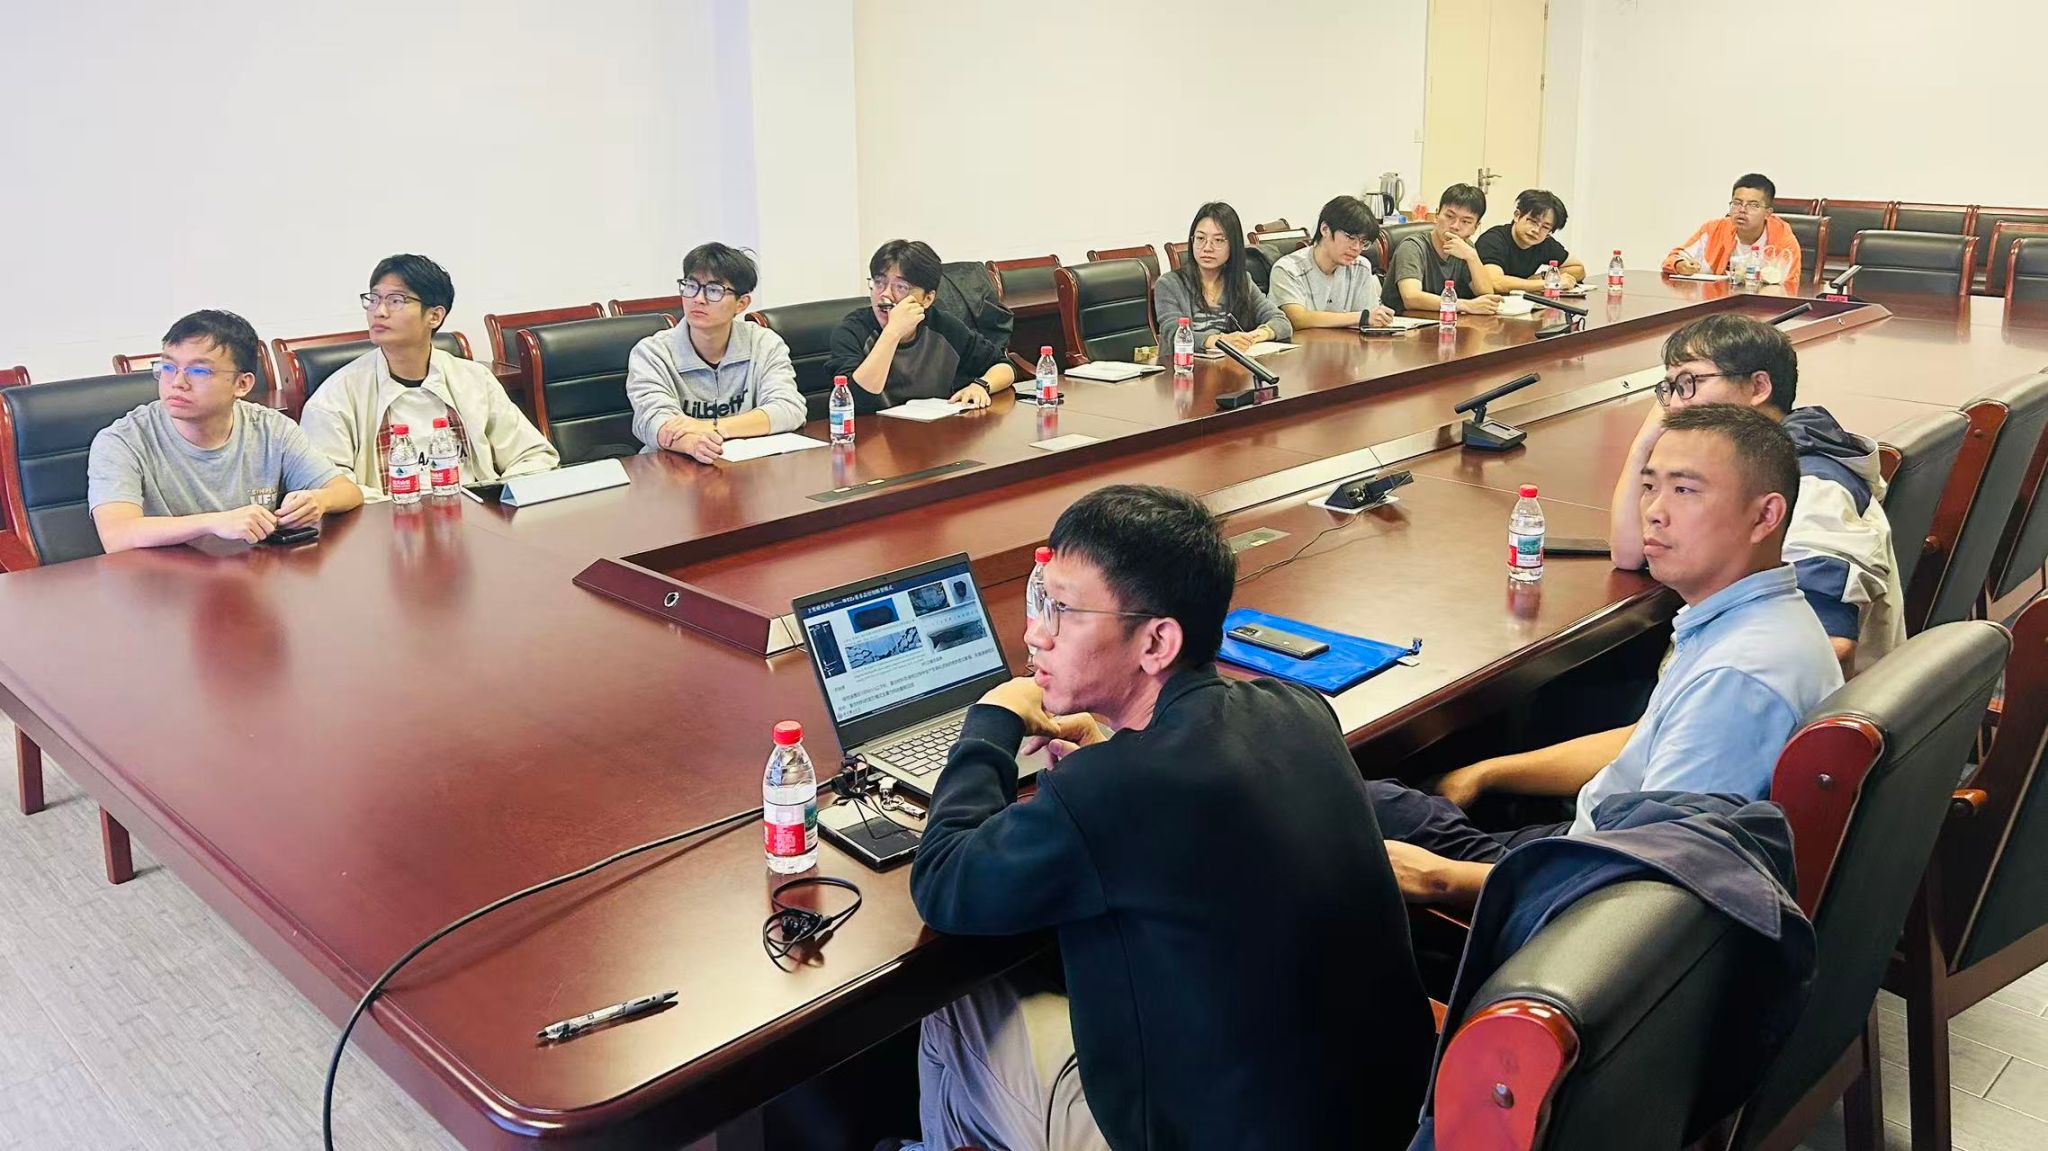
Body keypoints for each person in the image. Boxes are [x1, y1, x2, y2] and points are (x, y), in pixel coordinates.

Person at [905, 485, 1434, 1151]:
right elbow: (1177, 813)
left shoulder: (1113, 790)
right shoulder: (1298, 708)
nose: (1036, 632)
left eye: (1063, 610)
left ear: (1156, 641)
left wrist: (991, 722)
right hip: (1391, 1120)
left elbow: (943, 881)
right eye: (1041, 602)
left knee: (951, 1009)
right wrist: (1112, 754)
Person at [1369, 404, 1843, 906]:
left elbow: (1653, 891)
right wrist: (1489, 771)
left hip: (1587, 890)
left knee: (1345, 802)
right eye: (1649, 486)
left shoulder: (1738, 678)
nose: (1654, 511)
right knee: (1391, 798)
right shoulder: (1754, 622)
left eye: (1684, 490)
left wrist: (1440, 879)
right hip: (1594, 842)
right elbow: (1648, 741)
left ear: (1765, 516)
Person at [1610, 314, 1904, 673]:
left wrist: (1706, 689)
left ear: (1758, 387)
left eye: (1690, 383)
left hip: (1766, 696)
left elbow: (1828, 645)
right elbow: (1628, 554)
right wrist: (1643, 446)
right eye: (1669, 389)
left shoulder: (1814, 485)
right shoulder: (1749, 465)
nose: (1674, 405)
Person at [89, 310, 362, 553]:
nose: (178, 382)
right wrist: (215, 522)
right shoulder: (122, 440)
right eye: (168, 367)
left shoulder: (271, 429)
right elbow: (117, 535)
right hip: (164, 585)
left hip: (252, 578)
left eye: (198, 371)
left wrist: (318, 500)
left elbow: (348, 491)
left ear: (242, 384)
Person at [301, 254, 557, 494]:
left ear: (434, 316)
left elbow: (533, 455)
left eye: (396, 300)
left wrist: (498, 500)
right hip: (387, 519)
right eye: (375, 299)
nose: (379, 311)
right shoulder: (334, 397)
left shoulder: (474, 379)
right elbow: (327, 486)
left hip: (476, 515)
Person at [624, 243, 805, 463]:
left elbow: (789, 409)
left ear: (741, 304)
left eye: (714, 290)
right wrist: (694, 444)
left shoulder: (763, 343)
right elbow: (653, 422)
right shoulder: (652, 353)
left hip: (748, 467)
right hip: (675, 470)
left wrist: (712, 427)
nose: (698, 299)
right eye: (691, 286)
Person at [826, 239, 1016, 412]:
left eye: (901, 287)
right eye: (879, 283)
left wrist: (981, 385)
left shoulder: (942, 326)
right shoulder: (852, 331)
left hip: (933, 433)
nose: (885, 295)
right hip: (871, 436)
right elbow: (852, 400)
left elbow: (1004, 366)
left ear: (927, 299)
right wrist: (892, 332)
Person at [1152, 202, 1294, 351]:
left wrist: (1256, 336)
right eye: (1200, 238)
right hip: (1187, 364)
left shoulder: (1242, 281)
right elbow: (1173, 334)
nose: (1207, 248)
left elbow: (1281, 322)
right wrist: (1219, 341)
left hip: (1233, 363)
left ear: (1233, 245)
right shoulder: (1170, 284)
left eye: (1218, 240)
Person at [1267, 194, 1397, 330]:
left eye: (1363, 242)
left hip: (1347, 342)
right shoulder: (1288, 270)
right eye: (1350, 237)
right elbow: (1298, 319)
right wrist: (1361, 318)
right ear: (1325, 229)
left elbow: (1370, 318)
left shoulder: (1361, 267)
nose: (1356, 248)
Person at [1383, 183, 1504, 315]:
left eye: (1466, 221)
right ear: (1437, 214)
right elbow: (1411, 298)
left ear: (1475, 227)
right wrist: (1465, 305)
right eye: (1449, 216)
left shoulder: (1465, 248)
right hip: (1405, 323)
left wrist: (1472, 257)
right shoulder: (1412, 247)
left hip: (1445, 321)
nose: (1455, 226)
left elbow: (1486, 296)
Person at [1664, 173, 1803, 287]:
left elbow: (1789, 288)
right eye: (1737, 203)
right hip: (1718, 303)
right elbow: (1673, 258)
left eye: (1753, 205)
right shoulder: (1714, 229)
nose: (1742, 210)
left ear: (1768, 213)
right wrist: (1680, 265)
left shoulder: (1784, 242)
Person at [1474, 189, 1586, 295]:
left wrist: (1543, 277)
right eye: (1533, 221)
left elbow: (1579, 269)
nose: (1536, 230)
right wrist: (1550, 283)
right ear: (1517, 216)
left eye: (1545, 227)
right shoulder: (1492, 240)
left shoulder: (1545, 243)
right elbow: (1495, 282)